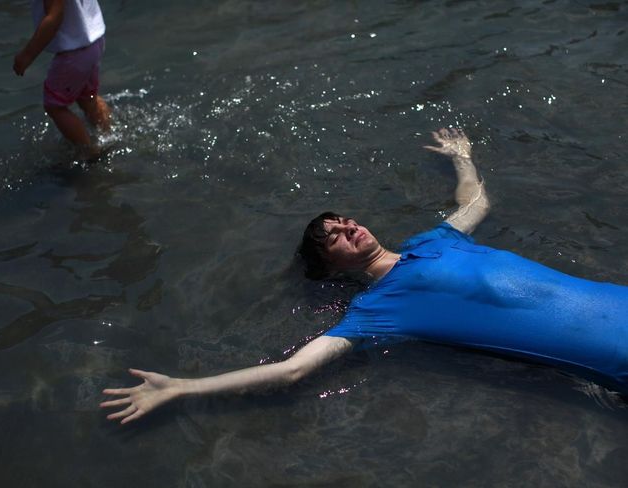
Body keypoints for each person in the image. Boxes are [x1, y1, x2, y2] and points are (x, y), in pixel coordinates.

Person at [100, 128, 628, 424]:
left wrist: (462, 159)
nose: (347, 228)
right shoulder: (378, 310)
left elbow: (475, 204)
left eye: (345, 220)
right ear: (331, 265)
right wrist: (183, 388)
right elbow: (291, 372)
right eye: (332, 235)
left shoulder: (433, 241)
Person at [13, 0, 110, 155]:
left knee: (54, 106)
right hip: (94, 40)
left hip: (74, 53)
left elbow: (54, 17)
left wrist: (27, 55)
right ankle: (108, 136)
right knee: (87, 98)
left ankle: (92, 155)